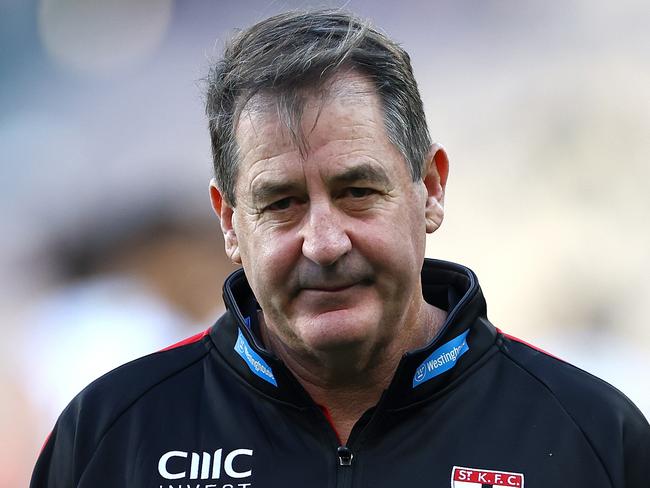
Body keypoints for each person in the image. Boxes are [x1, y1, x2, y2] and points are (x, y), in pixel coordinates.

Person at [31, 9, 650, 488]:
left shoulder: (593, 434)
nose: (324, 245)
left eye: (357, 191)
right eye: (280, 204)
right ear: (228, 221)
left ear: (430, 188)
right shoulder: (111, 433)